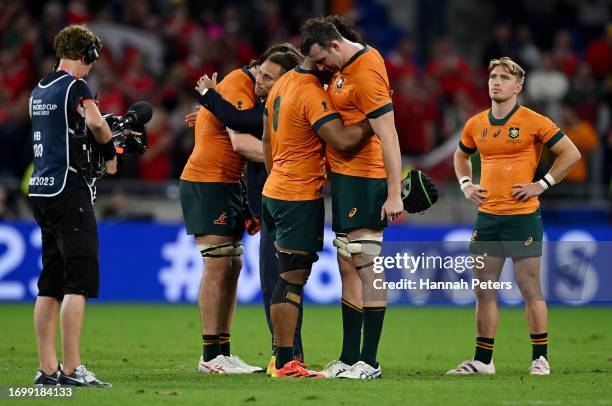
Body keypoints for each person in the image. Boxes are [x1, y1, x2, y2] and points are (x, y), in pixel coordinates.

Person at [448, 57, 580, 376]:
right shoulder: (476, 123)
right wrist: (466, 184)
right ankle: (483, 361)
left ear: (518, 86)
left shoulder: (534, 120)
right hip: (488, 217)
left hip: (522, 217)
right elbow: (460, 154)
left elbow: (571, 153)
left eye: (504, 78)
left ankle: (540, 358)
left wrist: (541, 184)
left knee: (529, 287)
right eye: (493, 76)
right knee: (483, 289)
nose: (496, 81)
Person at [191, 45, 307, 373]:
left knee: (274, 277)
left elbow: (239, 125)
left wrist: (210, 99)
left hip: (283, 198)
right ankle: (223, 355)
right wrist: (209, 113)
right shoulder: (269, 101)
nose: (259, 81)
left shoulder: (283, 105)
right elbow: (240, 124)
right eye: (258, 72)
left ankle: (286, 357)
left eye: (268, 77)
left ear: (286, 80)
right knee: (243, 269)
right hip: (261, 195)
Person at [300, 16, 404, 379]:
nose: (321, 68)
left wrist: (394, 193)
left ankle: (370, 362)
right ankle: (348, 357)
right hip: (345, 179)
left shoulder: (366, 73)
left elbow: (389, 136)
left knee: (367, 263)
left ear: (334, 44)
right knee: (347, 263)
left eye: (322, 60)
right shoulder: (346, 68)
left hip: (367, 178)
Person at [262, 55, 374, 378]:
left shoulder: (280, 85)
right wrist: (374, 118)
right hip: (297, 195)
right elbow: (341, 140)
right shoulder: (311, 92)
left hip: (276, 188)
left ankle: (281, 359)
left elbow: (268, 140)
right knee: (292, 279)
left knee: (287, 275)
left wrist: (277, 178)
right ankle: (285, 362)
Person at [28, 25, 116, 387]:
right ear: (88, 55)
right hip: (68, 189)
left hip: (41, 190)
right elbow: (95, 122)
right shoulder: (76, 86)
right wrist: (110, 153)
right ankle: (72, 368)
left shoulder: (39, 89)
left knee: (49, 283)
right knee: (77, 282)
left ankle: (47, 369)